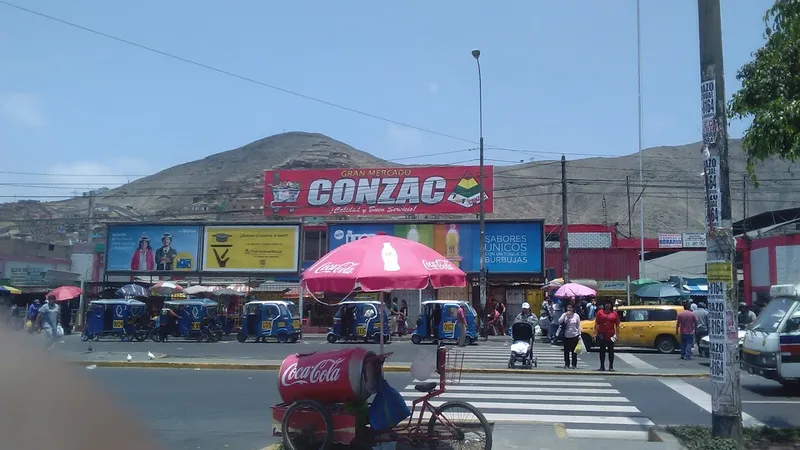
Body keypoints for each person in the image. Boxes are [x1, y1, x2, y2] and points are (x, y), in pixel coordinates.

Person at [594, 301, 620, 372]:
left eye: (609, 304)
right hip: (602, 334)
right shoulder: (600, 312)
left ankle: (611, 366)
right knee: (602, 351)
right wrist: (595, 333)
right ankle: (602, 366)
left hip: (611, 334)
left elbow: (617, 325)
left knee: (611, 351)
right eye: (606, 304)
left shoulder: (614, 313)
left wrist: (617, 335)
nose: (607, 305)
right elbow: (597, 323)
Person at [559, 303, 581, 369]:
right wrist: (565, 315)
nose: (569, 309)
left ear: (573, 309)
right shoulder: (564, 315)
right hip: (566, 335)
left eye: (570, 307)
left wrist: (579, 334)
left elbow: (578, 325)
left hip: (574, 335)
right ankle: (567, 364)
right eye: (568, 307)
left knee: (574, 351)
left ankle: (574, 364)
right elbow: (559, 321)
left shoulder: (576, 316)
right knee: (566, 351)